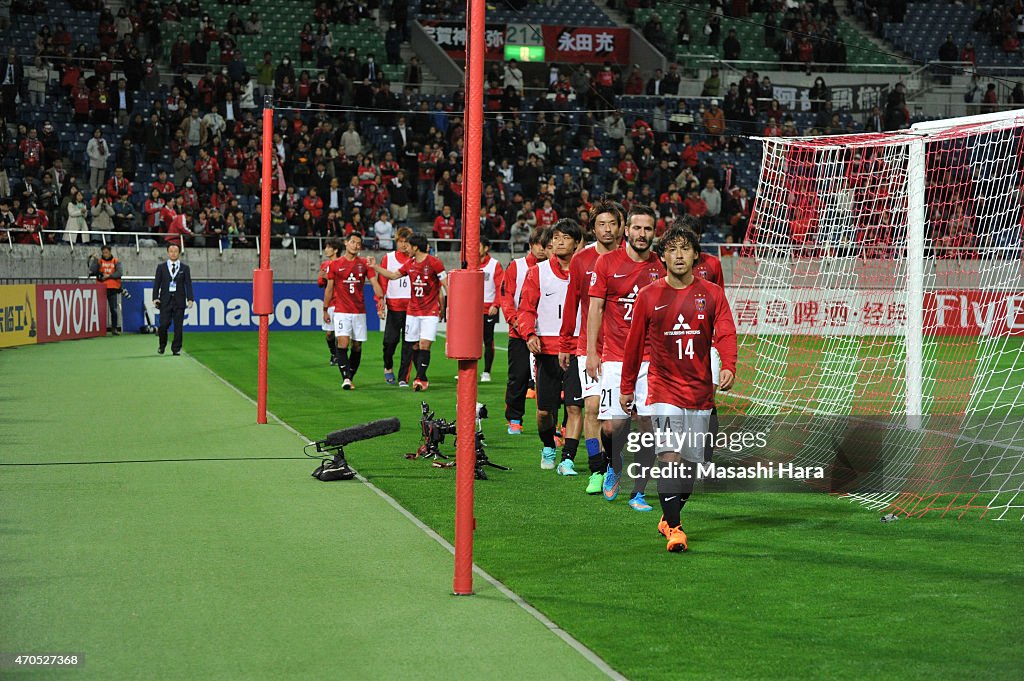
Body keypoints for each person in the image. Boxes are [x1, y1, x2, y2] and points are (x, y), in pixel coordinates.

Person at [620, 226, 737, 552]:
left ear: (696, 254)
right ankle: (676, 529)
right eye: (672, 249)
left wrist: (728, 364)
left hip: (700, 393)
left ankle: (667, 517)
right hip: (663, 390)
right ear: (663, 256)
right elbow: (633, 346)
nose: (679, 255)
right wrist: (627, 386)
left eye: (685, 249)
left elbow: (725, 332)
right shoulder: (650, 295)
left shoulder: (712, 293)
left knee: (692, 465)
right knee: (669, 457)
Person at [586, 205, 665, 504]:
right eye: (637, 228)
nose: (641, 234)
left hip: (651, 360)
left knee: (647, 425)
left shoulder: (661, 266)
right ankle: (614, 465)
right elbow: (596, 308)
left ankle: (639, 491)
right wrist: (592, 352)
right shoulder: (607, 263)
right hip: (616, 358)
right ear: (626, 230)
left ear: (654, 232)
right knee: (612, 426)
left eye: (647, 229)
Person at [558, 201, 624, 490]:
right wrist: (565, 344)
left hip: (622, 349)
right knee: (592, 408)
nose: (607, 229)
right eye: (601, 224)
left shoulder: (630, 259)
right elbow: (572, 303)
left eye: (612, 223)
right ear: (593, 227)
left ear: (621, 226)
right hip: (589, 348)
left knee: (617, 418)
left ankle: (615, 462)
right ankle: (598, 469)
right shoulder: (582, 260)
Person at [517, 219, 583, 470]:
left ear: (577, 243)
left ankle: (567, 458)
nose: (558, 242)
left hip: (577, 348)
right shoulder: (538, 272)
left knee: (575, 406)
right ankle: (547, 445)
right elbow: (525, 309)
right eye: (555, 237)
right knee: (545, 412)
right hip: (546, 350)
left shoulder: (587, 272)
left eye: (565, 238)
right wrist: (529, 334)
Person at [371, 233, 447, 391]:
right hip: (412, 312)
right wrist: (375, 267)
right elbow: (393, 276)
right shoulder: (410, 264)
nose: (406, 248)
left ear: (415, 247)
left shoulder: (435, 263)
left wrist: (449, 307)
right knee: (413, 346)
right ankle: (419, 376)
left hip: (429, 312)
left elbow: (447, 285)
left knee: (425, 344)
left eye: (409, 245)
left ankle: (420, 378)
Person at [500, 228, 551, 435]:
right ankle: (514, 419)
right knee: (518, 378)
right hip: (519, 333)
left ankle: (553, 425)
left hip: (547, 334)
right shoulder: (516, 266)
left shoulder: (553, 269)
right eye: (538, 244)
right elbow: (506, 297)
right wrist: (514, 322)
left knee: (550, 380)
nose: (541, 248)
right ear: (531, 245)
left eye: (545, 244)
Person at [323, 233, 383, 390]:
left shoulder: (364, 264)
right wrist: (325, 309)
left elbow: (374, 282)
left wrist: (381, 299)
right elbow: (329, 288)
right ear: (346, 243)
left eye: (358, 243)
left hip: (359, 311)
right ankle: (346, 378)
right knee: (343, 342)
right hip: (341, 310)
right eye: (353, 242)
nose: (356, 245)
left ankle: (350, 375)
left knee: (357, 346)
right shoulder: (335, 264)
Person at [376, 227, 415, 386]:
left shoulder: (415, 259)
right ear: (396, 241)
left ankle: (403, 377)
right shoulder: (389, 258)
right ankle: (388, 366)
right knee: (389, 342)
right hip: (394, 307)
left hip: (412, 309)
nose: (404, 245)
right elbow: (382, 282)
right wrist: (380, 302)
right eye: (401, 241)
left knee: (409, 344)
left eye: (407, 242)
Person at [152, 243, 194, 355]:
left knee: (178, 327)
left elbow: (188, 284)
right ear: (167, 252)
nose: (173, 253)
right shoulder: (161, 267)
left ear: (179, 253)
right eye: (171, 251)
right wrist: (155, 298)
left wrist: (190, 298)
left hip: (179, 301)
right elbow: (157, 284)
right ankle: (162, 345)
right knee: (163, 325)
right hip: (165, 301)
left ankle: (176, 349)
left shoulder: (185, 268)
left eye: (175, 251)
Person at [478, 236, 504, 383]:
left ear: (486, 248)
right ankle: (469, 369)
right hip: (472, 310)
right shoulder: (469, 264)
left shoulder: (494, 265)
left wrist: (496, 304)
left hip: (489, 308)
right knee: (470, 342)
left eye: (478, 246)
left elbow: (501, 287)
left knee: (488, 341)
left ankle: (486, 371)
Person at [317, 238, 342, 366]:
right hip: (330, 302)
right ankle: (333, 353)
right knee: (329, 334)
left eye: (328, 247)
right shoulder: (324, 265)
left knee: (340, 333)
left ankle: (339, 356)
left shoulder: (342, 264)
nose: (326, 249)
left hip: (341, 302)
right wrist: (323, 277)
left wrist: (330, 277)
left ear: (335, 250)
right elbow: (320, 283)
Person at [92, 245, 123, 334]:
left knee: (113, 309)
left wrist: (108, 276)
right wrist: (94, 260)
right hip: (101, 287)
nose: (105, 254)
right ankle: (99, 329)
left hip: (112, 288)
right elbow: (93, 271)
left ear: (110, 252)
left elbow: (119, 273)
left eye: (106, 252)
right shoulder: (99, 261)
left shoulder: (116, 261)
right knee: (99, 309)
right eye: (103, 252)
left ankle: (114, 328)